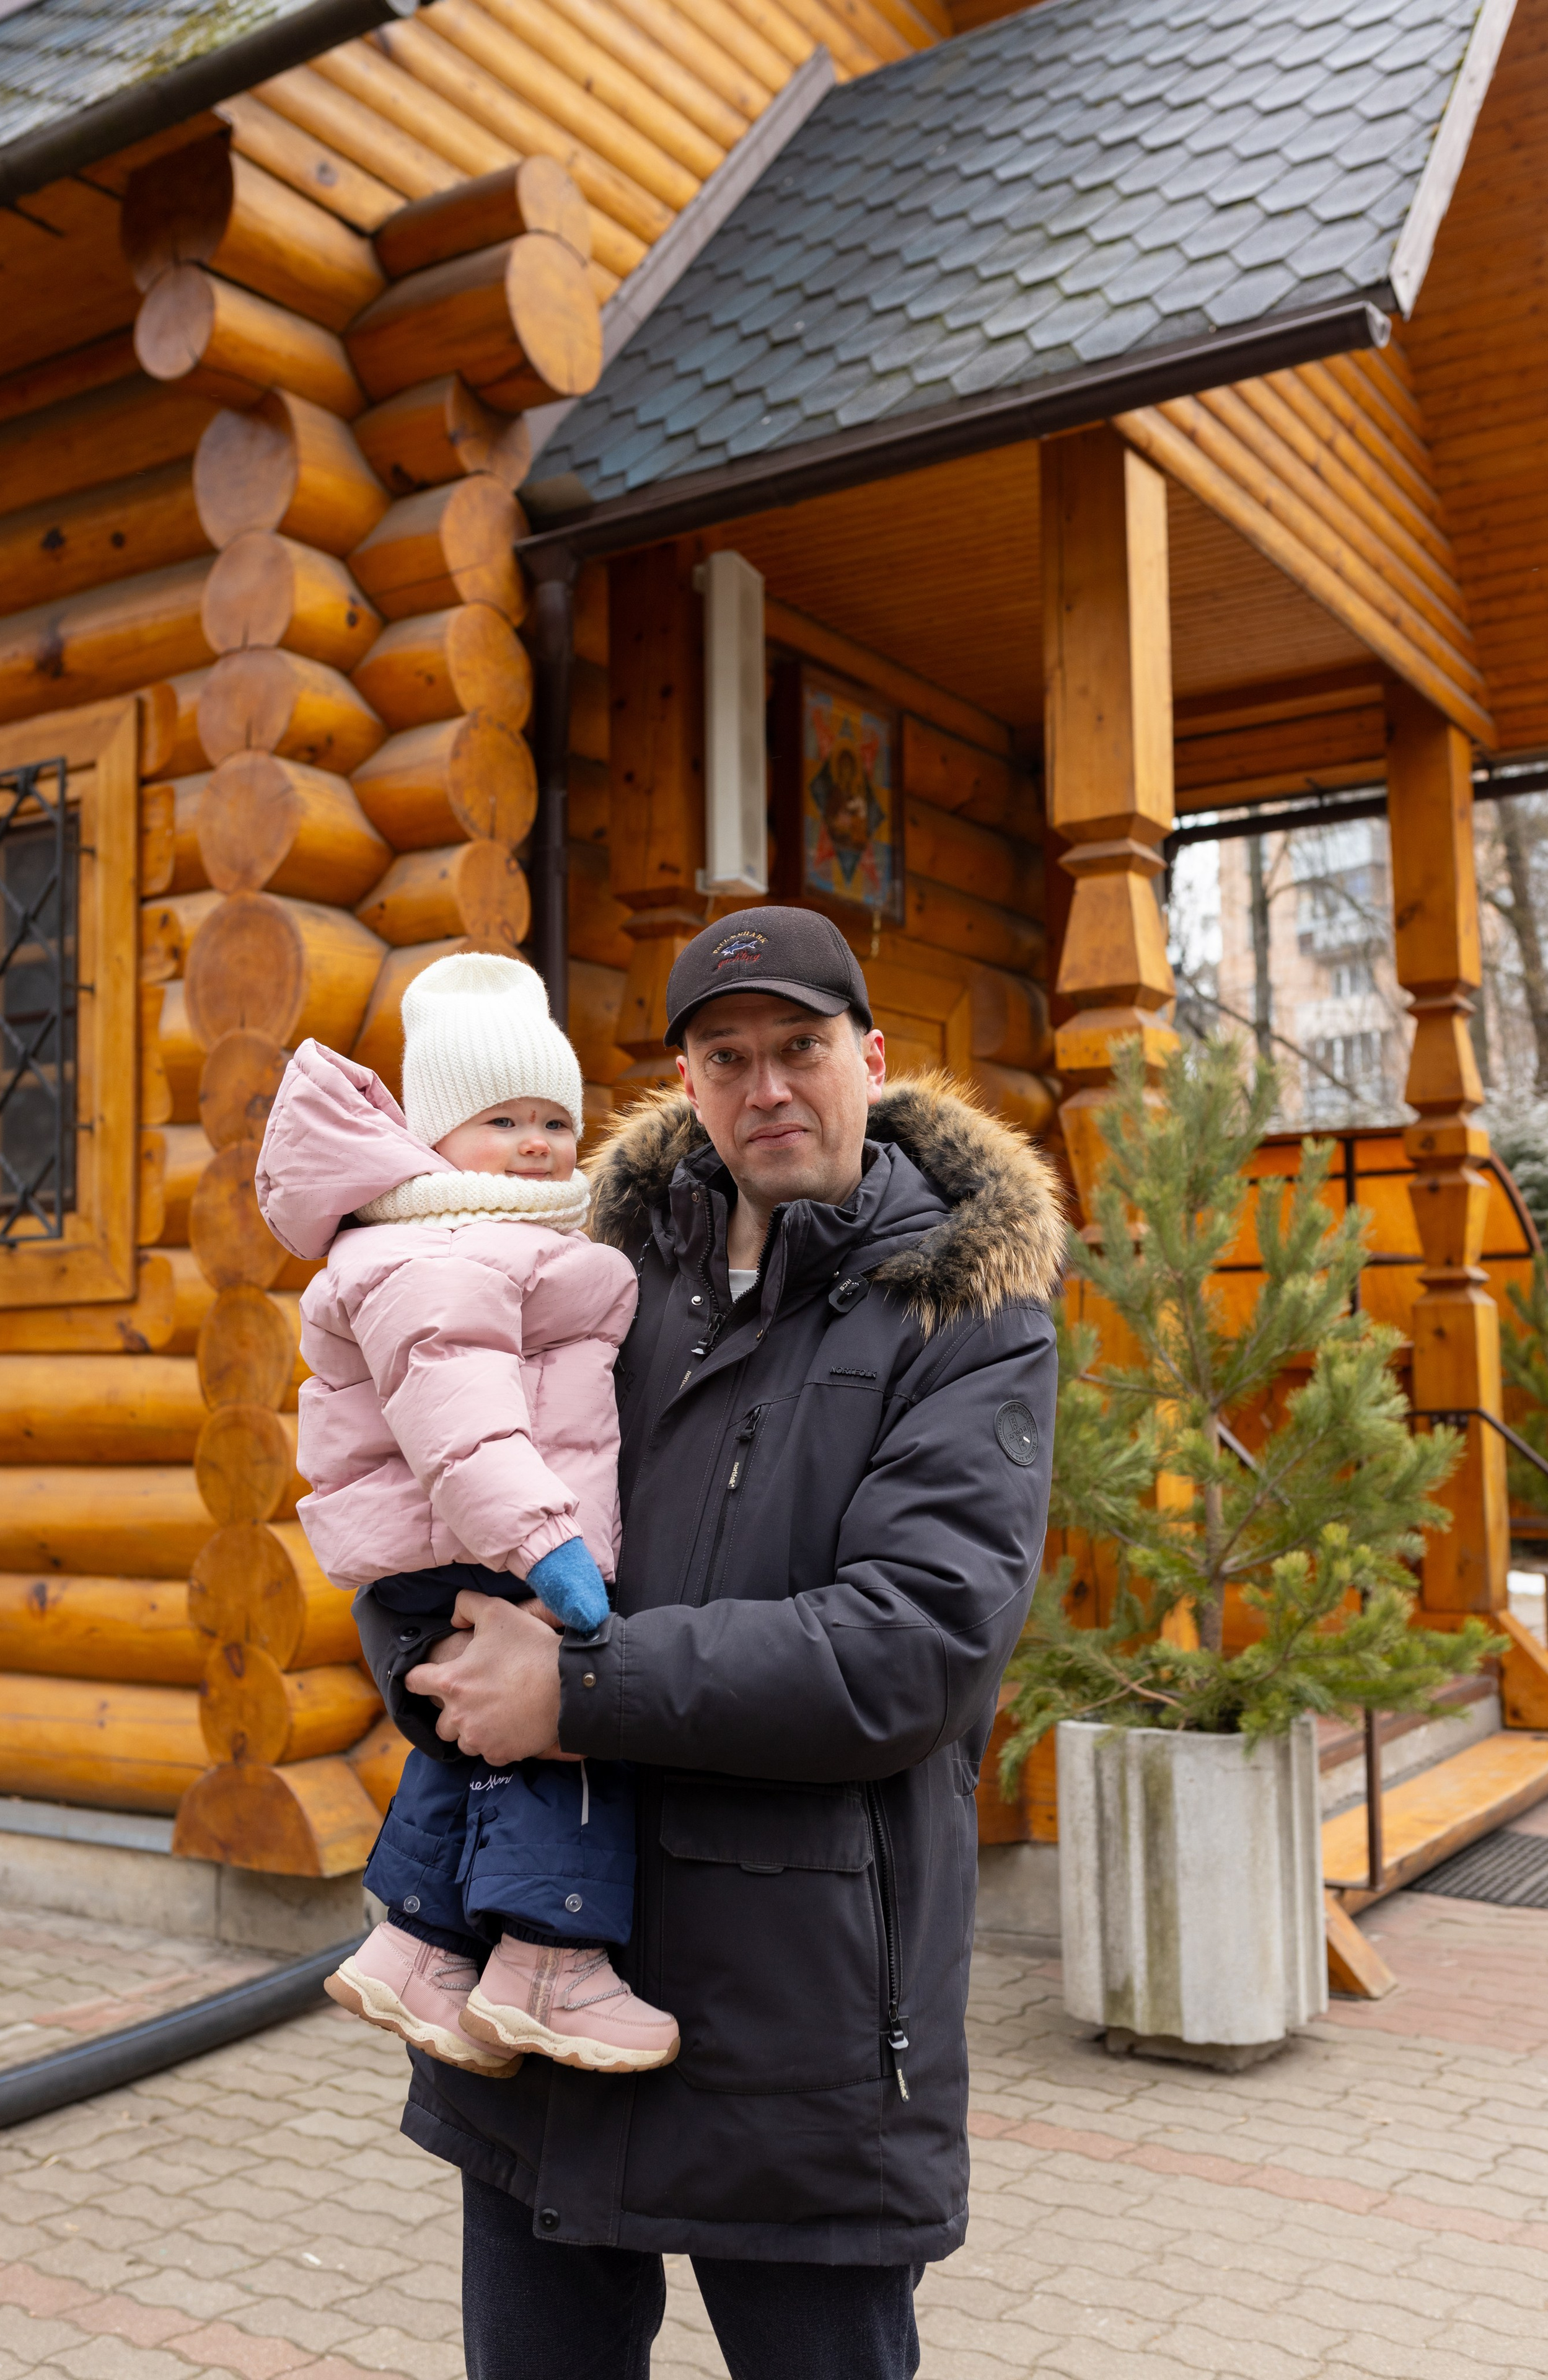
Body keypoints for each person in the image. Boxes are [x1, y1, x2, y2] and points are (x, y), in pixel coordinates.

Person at [382, 908, 1065, 2380]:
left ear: (868, 1060)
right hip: (544, 1984)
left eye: (799, 1048)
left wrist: (571, 1690)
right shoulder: (577, 1269)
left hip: (798, 2016)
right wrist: (429, 1668)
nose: (767, 1088)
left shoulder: (962, 1309)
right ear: (686, 1084)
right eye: (726, 1057)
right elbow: (419, 1495)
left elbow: (913, 1648)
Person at [255, 952, 680, 2078]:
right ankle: (552, 1961)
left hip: (464, 1537)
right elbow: (463, 1426)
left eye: (555, 1120)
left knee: (473, 1739)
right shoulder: (446, 1245)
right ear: (436, 1136)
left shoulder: (481, 1228)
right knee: (564, 1729)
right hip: (486, 1534)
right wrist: (553, 1554)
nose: (537, 1143)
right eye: (503, 1120)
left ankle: (419, 1945)